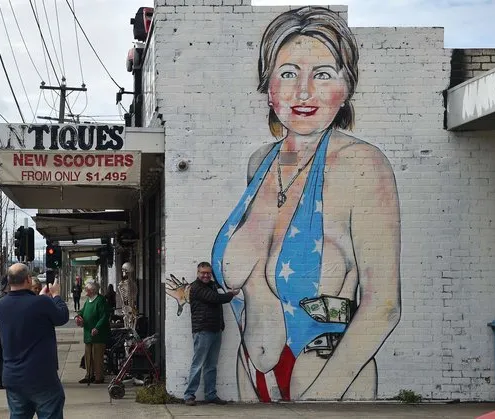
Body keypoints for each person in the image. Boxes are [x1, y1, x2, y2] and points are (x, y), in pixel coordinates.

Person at [168, 6, 401, 402]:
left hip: (328, 380)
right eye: (288, 73)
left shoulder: (363, 166)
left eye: (323, 74)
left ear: (347, 87)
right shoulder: (260, 163)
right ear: (269, 84)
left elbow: (384, 304)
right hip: (252, 375)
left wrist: (314, 399)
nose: (303, 92)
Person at [0, 263, 69, 418]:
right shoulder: (42, 303)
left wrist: (40, 298)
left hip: (13, 378)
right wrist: (55, 295)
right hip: (42, 377)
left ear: (9, 280)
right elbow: (62, 317)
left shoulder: (0, 306)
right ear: (28, 279)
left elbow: (25, 312)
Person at [183, 262, 239, 406]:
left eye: (208, 273)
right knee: (198, 364)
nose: (206, 275)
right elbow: (217, 299)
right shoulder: (196, 288)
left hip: (215, 330)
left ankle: (210, 395)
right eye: (203, 272)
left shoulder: (212, 286)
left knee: (211, 365)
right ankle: (189, 395)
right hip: (202, 330)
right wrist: (231, 294)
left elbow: (217, 295)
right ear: (198, 273)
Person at [75, 280, 110, 384]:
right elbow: (82, 311)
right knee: (88, 355)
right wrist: (79, 316)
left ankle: (99, 377)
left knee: (97, 356)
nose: (85, 290)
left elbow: (104, 316)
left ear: (93, 290)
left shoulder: (100, 300)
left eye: (87, 289)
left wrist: (97, 328)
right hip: (87, 333)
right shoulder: (88, 300)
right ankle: (89, 375)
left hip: (98, 334)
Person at [0, 275, 9, 390]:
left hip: (2, 331)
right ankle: (1, 380)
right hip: (3, 332)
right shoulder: (3, 299)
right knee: (2, 357)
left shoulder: (2, 298)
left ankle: (1, 380)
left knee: (2, 356)